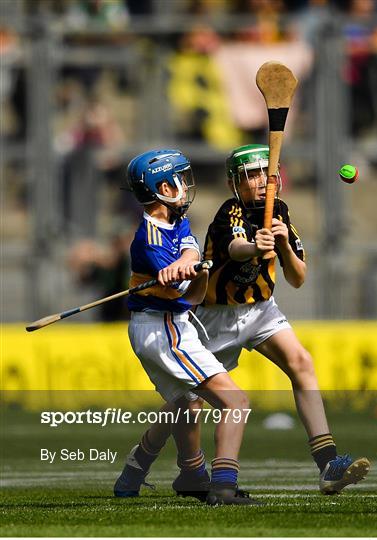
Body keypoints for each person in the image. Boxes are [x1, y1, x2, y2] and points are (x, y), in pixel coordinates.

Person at [114, 144, 370, 498]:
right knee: (188, 400)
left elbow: (297, 278)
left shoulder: (280, 211)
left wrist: (281, 246)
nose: (261, 182)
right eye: (251, 175)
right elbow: (235, 248)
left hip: (262, 310)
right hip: (217, 316)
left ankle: (327, 463)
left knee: (301, 362)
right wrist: (255, 246)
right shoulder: (228, 213)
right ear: (235, 182)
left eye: (266, 173)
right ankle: (141, 461)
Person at [114, 148, 259, 506]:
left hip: (167, 324)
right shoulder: (148, 239)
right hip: (164, 329)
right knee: (235, 402)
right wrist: (186, 274)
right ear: (163, 187)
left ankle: (157, 472)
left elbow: (191, 253)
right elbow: (192, 296)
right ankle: (223, 486)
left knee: (186, 405)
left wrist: (190, 263)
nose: (185, 186)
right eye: (179, 180)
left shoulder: (175, 219)